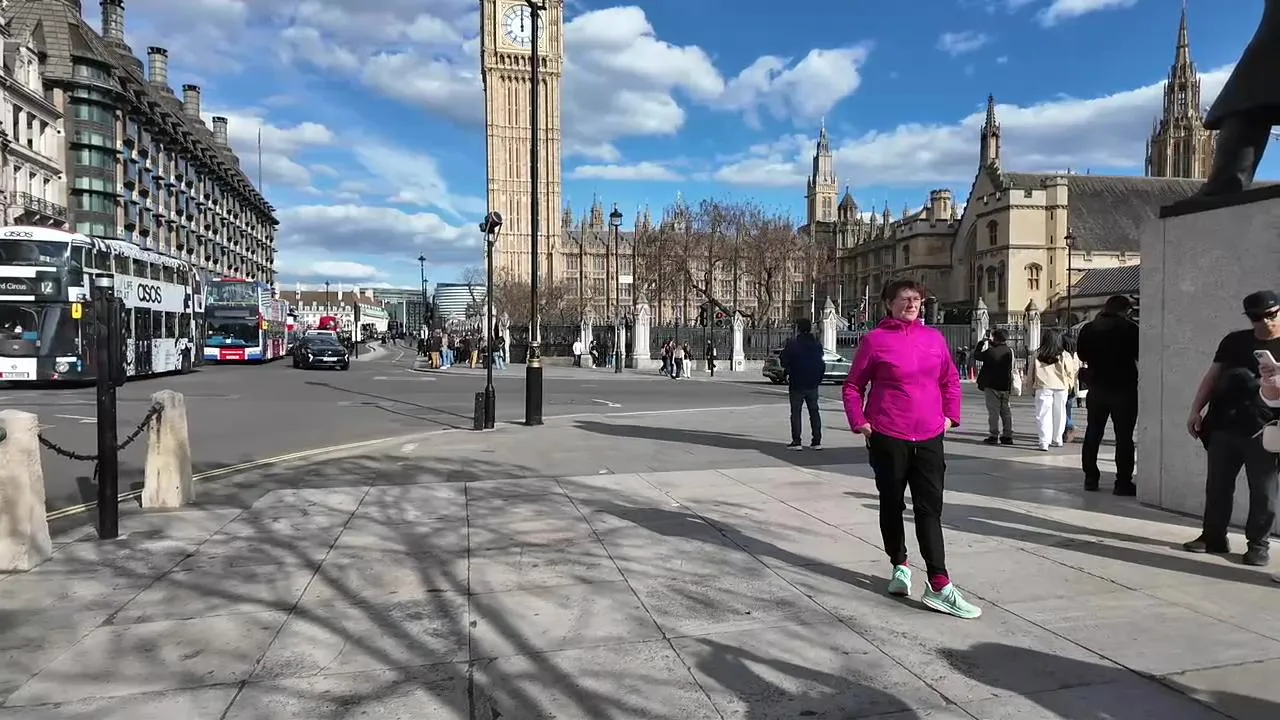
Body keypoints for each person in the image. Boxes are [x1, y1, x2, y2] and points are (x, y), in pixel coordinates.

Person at [843, 279, 980, 619]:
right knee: (892, 503)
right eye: (904, 299)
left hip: (930, 435)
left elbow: (949, 380)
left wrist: (951, 417)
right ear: (888, 304)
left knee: (929, 509)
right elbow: (853, 386)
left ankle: (939, 583)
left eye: (916, 299)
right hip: (888, 434)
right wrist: (860, 422)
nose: (912, 304)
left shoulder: (934, 339)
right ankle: (899, 564)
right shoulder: (875, 341)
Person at [1182, 290, 1280, 566]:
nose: (1264, 322)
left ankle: (1258, 545)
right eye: (1256, 317)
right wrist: (1195, 410)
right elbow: (1212, 377)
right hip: (1223, 425)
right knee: (1217, 486)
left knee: (1263, 491)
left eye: (1270, 315)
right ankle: (1213, 537)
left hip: (1265, 428)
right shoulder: (1234, 341)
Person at [1075, 295, 1139, 495]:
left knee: (1093, 433)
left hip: (1097, 388)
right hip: (1123, 388)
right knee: (1124, 437)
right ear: (1125, 310)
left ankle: (1090, 477)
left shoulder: (1089, 329)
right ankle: (1123, 482)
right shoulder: (1130, 329)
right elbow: (1140, 354)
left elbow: (1082, 354)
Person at [1028, 328, 1079, 451]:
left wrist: (1030, 387)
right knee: (1060, 413)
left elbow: (1031, 372)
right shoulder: (1064, 354)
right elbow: (1070, 372)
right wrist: (1070, 386)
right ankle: (1057, 438)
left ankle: (1044, 441)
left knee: (1043, 414)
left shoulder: (1038, 354)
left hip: (1043, 386)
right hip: (1061, 386)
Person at [780, 318, 825, 450]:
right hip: (813, 383)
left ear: (798, 329)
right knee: (814, 412)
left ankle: (797, 441)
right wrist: (818, 378)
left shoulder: (793, 344)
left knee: (796, 412)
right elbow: (821, 362)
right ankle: (816, 441)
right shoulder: (817, 344)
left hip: (797, 382)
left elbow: (783, 360)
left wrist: (789, 369)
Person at [974, 328, 1015, 445]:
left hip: (991, 386)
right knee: (1006, 412)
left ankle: (993, 435)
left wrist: (982, 342)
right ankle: (1007, 435)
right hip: (1005, 385)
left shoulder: (990, 352)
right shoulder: (1009, 351)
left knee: (993, 412)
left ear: (995, 338)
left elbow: (977, 355)